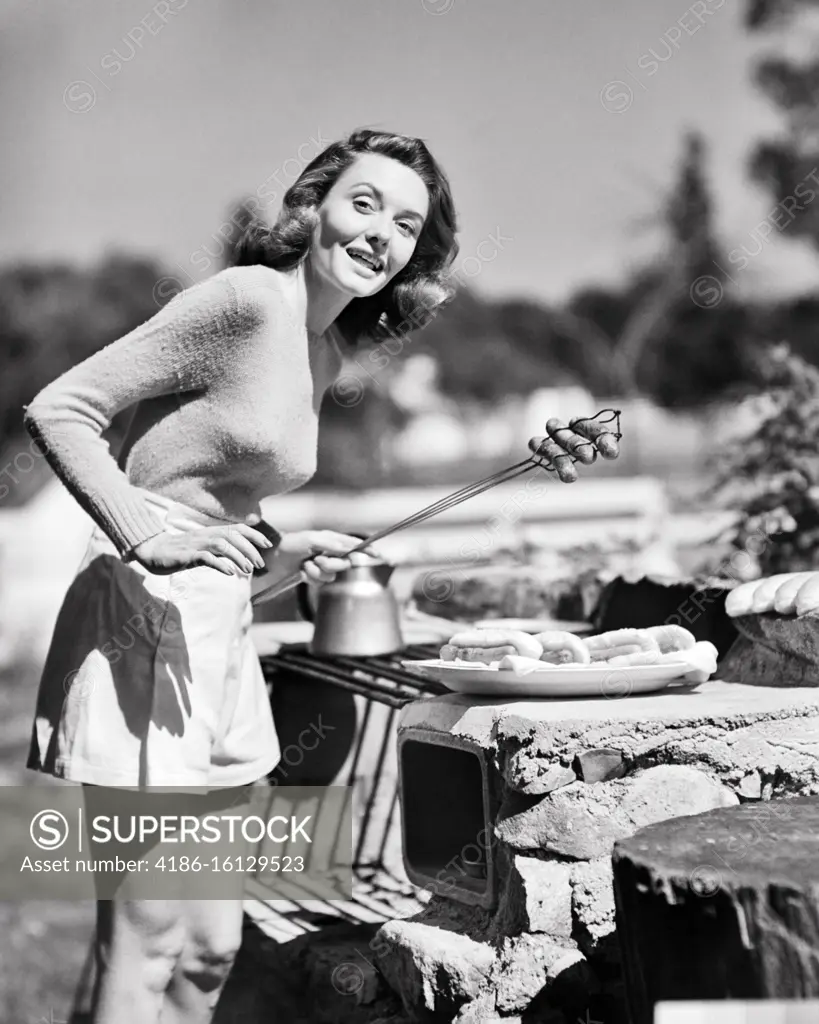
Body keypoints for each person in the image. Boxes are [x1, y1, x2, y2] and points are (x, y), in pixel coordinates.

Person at [21, 127, 616, 1024]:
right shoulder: (246, 301)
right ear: (313, 208)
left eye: (407, 224)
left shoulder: (323, 351)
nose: (381, 233)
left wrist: (288, 551)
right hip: (143, 623)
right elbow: (61, 408)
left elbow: (217, 511)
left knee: (210, 953)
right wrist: (146, 537)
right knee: (142, 941)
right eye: (365, 203)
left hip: (216, 629)